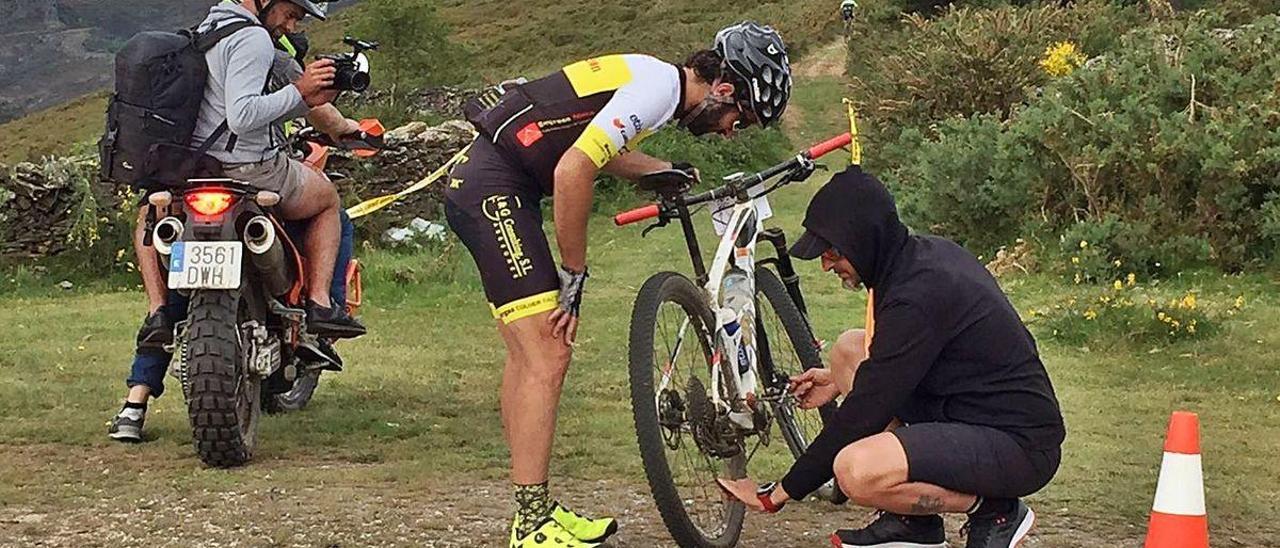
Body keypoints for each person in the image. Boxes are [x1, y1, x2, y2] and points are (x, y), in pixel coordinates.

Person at [444, 21, 792, 548]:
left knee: (529, 357)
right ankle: (532, 523)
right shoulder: (656, 90)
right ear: (722, 90)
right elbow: (573, 170)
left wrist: (658, 169)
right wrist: (575, 272)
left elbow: (590, 144)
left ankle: (529, 514)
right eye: (738, 119)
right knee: (547, 354)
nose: (730, 132)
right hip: (496, 190)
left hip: (490, 184)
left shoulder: (653, 80)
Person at [718, 167, 1066, 548]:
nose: (825, 264)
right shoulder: (915, 259)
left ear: (864, 239)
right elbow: (900, 358)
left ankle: (994, 510)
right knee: (849, 351)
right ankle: (912, 524)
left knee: (855, 470)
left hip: (1017, 446)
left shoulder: (917, 295)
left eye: (832, 251)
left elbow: (864, 413)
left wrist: (780, 492)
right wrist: (836, 379)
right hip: (970, 414)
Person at [108, 4, 364, 442]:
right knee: (326, 201)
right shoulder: (252, 38)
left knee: (154, 220)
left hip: (193, 170)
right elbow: (244, 114)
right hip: (249, 169)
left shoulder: (206, 30)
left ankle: (153, 326)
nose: (292, 23)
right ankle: (321, 303)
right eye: (290, 11)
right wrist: (302, 92)